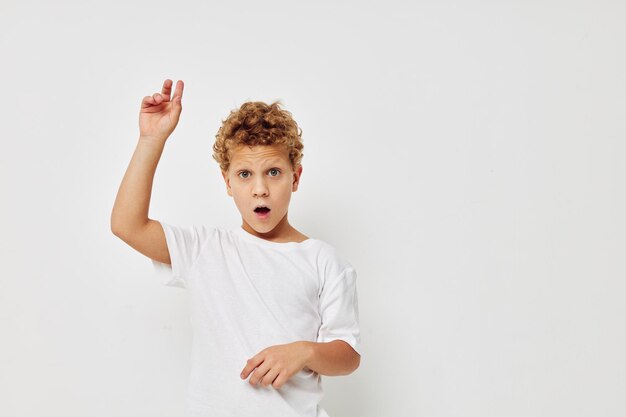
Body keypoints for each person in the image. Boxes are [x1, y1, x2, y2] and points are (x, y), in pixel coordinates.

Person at [110, 79, 362, 417]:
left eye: (274, 172)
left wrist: (304, 351)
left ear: (296, 177)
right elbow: (127, 225)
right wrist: (151, 139)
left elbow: (348, 355)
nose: (260, 189)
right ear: (227, 182)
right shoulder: (205, 250)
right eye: (245, 174)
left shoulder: (322, 260)